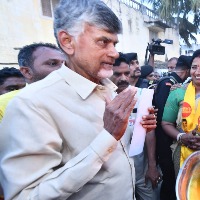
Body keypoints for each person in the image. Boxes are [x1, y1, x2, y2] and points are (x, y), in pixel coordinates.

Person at [0, 1, 157, 200]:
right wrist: (107, 137)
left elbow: (116, 160)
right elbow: (26, 196)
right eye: (103, 42)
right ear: (67, 41)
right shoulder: (30, 105)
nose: (115, 53)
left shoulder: (108, 89)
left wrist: (139, 129)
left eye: (114, 43)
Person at [110, 55, 161, 200]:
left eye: (126, 73)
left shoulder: (141, 96)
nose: (124, 78)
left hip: (141, 169)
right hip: (116, 174)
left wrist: (151, 166)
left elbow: (149, 132)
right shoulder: (101, 98)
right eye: (117, 74)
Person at [153, 55, 192, 200]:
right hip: (166, 141)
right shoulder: (169, 84)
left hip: (173, 140)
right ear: (188, 70)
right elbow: (164, 118)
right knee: (171, 182)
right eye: (194, 68)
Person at [162, 50, 200, 188]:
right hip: (183, 152)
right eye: (194, 67)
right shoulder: (178, 93)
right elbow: (166, 123)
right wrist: (181, 136)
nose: (197, 72)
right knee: (185, 191)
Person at [0, 42, 66, 122]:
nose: (63, 68)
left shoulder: (79, 98)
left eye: (66, 64)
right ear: (27, 72)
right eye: (53, 64)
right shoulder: (4, 105)